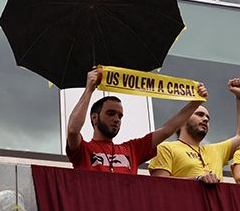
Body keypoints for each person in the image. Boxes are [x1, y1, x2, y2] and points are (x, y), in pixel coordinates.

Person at [66, 67, 209, 173]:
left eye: (120, 116)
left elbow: (167, 130)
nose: (116, 119)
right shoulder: (83, 150)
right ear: (94, 117)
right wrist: (89, 89)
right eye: (111, 113)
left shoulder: (132, 149)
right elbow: (73, 130)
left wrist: (195, 103)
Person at [148, 79, 240, 184]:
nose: (205, 119)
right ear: (183, 120)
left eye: (208, 118)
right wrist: (196, 179)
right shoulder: (165, 148)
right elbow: (159, 185)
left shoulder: (217, 150)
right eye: (200, 115)